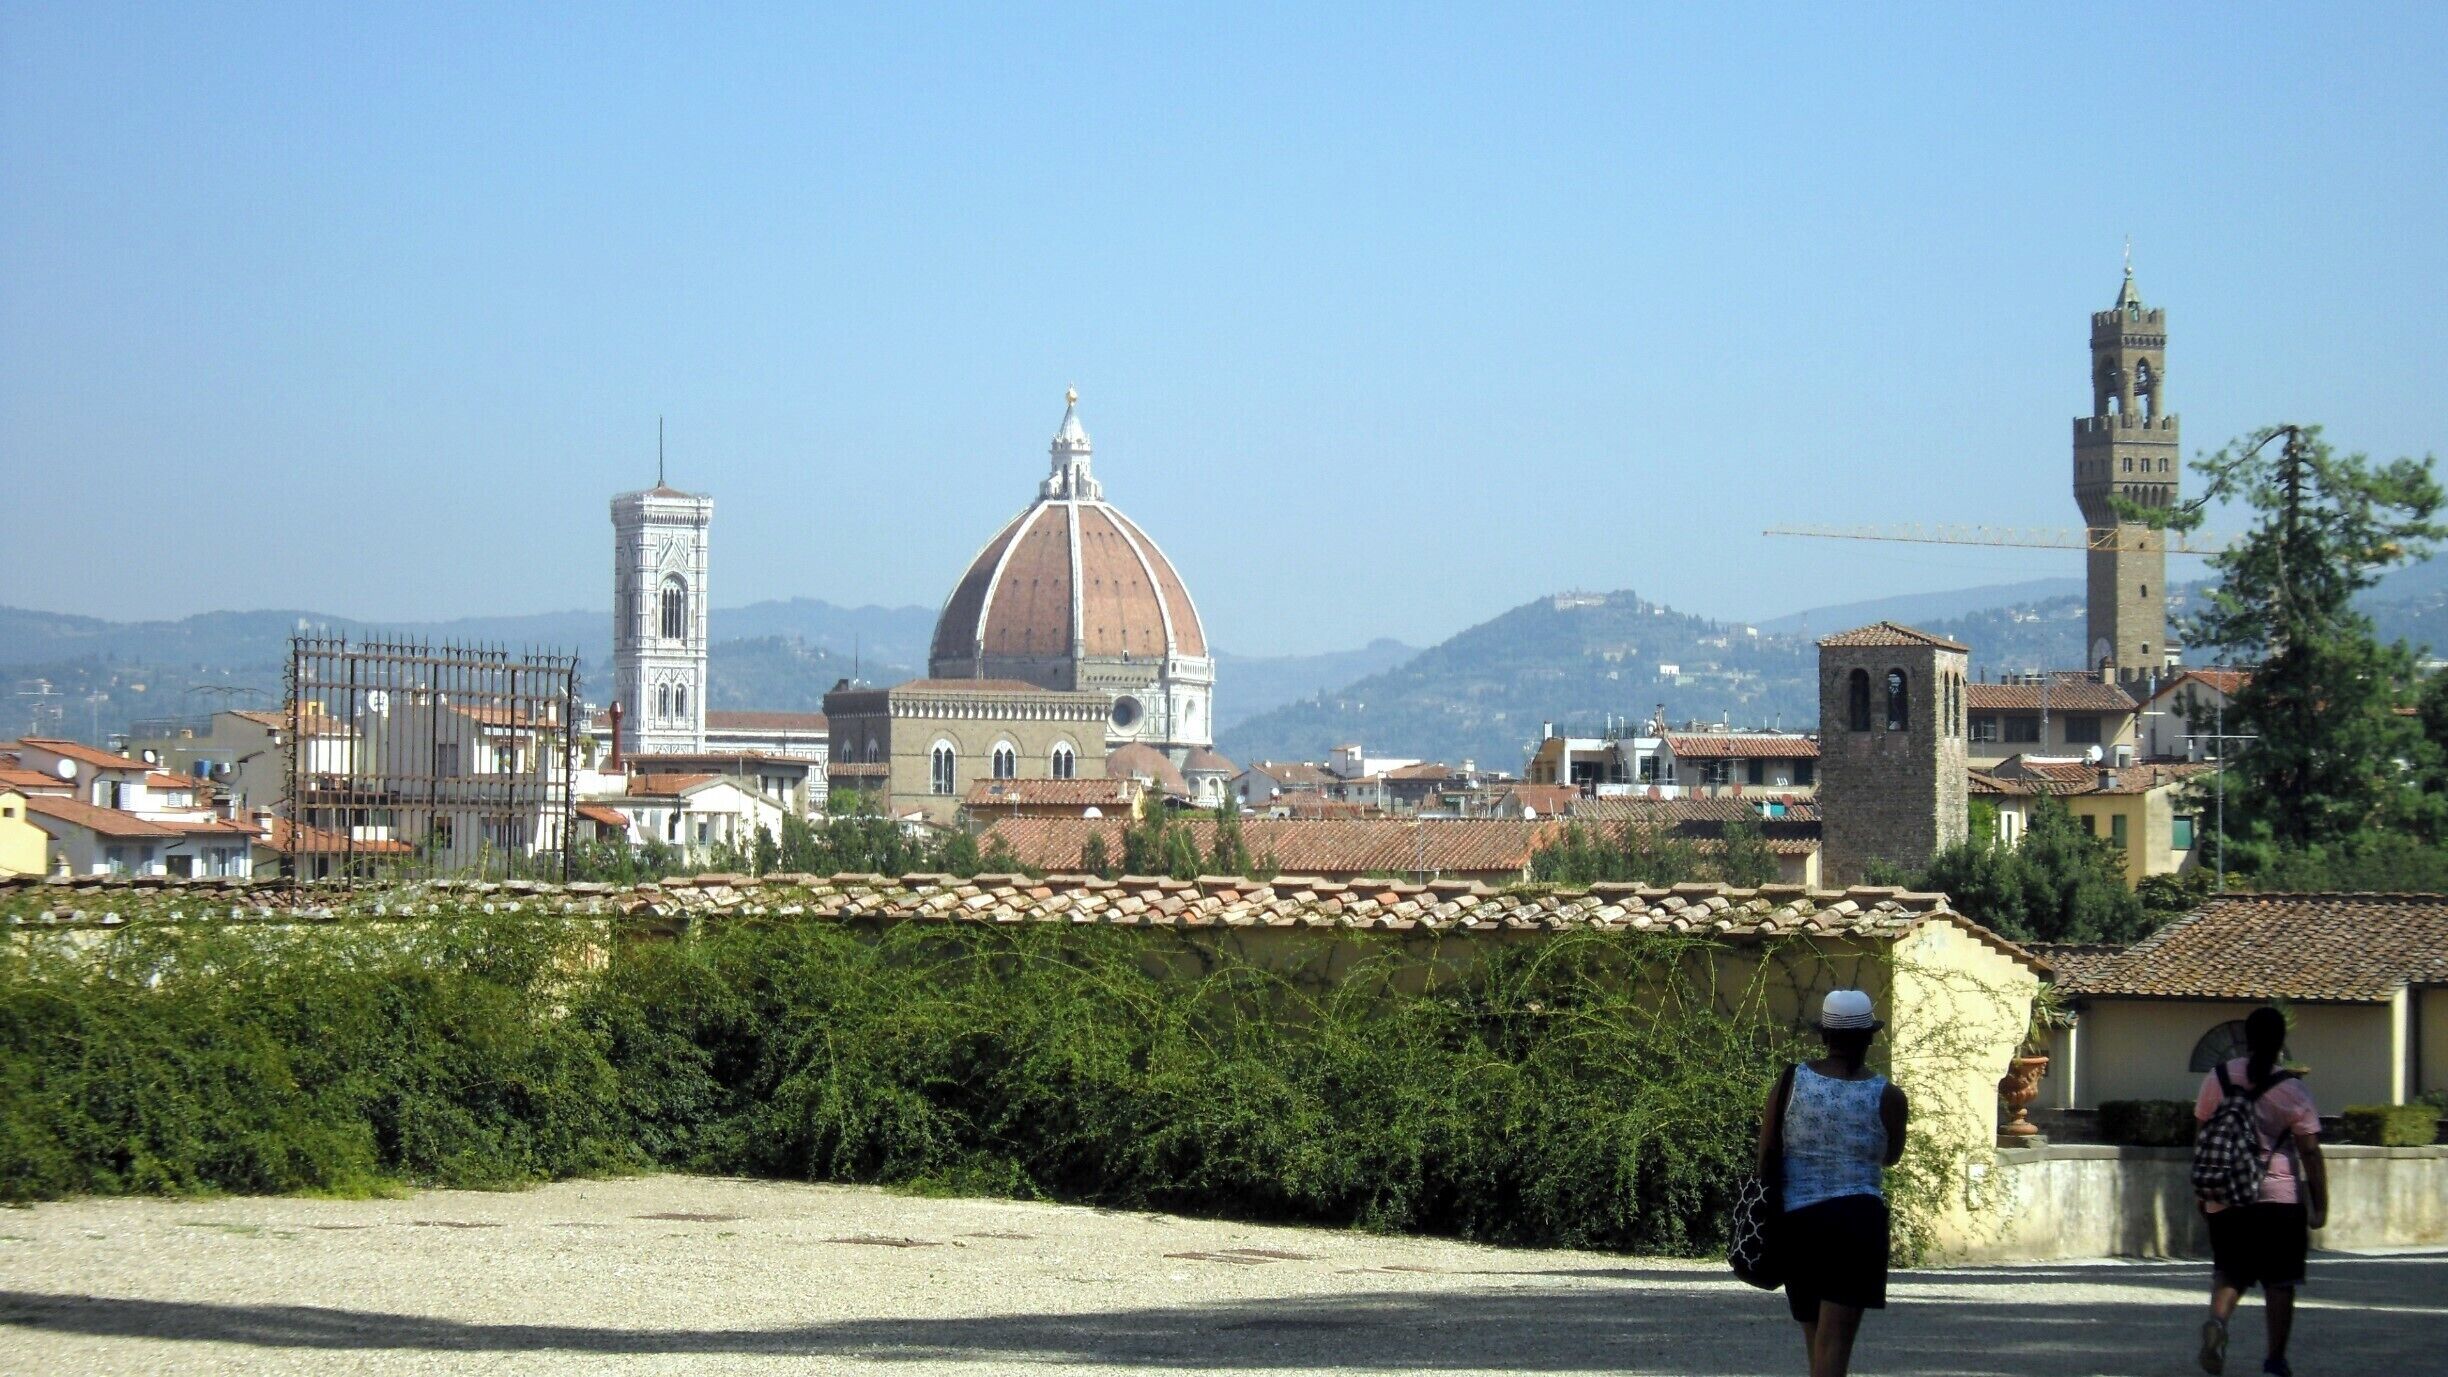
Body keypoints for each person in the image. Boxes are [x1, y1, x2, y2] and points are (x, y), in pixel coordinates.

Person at [1756, 988, 1909, 1377]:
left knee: (1816, 1341)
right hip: (1857, 1223)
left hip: (1798, 1222)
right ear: (1870, 1038)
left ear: (1824, 1035)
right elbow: (1891, 1157)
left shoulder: (1791, 1081)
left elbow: (1767, 1152)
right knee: (1836, 1346)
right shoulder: (1889, 1096)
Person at [2195, 1005, 2326, 1377]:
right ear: (2281, 1041)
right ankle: (2274, 1360)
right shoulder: (2293, 1089)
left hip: (2225, 1192)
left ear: (2246, 1038)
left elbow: (2203, 1136)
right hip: (2278, 1197)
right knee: (2280, 1281)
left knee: (2230, 1272)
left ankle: (2217, 1324)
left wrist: (2202, 1190)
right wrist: (2320, 1202)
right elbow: (2310, 1152)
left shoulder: (2217, 1077)